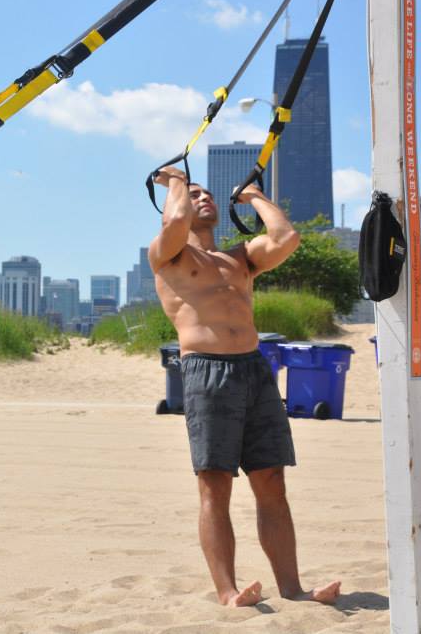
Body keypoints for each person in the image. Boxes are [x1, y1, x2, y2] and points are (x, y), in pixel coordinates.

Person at [148, 166, 341, 608]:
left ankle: (293, 589)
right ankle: (227, 592)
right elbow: (175, 222)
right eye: (194, 195)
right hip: (207, 372)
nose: (204, 199)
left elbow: (286, 237)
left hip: (254, 370)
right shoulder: (167, 254)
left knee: (271, 480)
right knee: (216, 484)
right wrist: (176, 179)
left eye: (208, 194)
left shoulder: (239, 258)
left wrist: (253, 194)